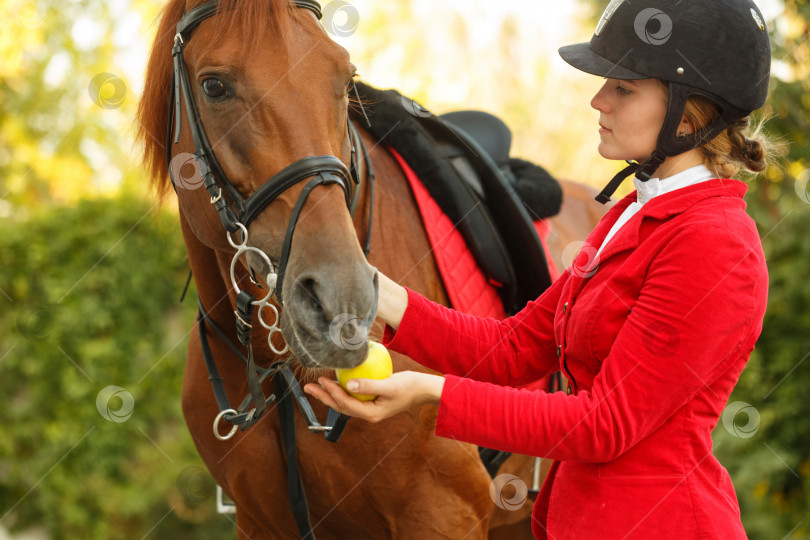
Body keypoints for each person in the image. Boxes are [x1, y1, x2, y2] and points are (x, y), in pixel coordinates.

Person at [304, 0, 775, 537]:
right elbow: (513, 348)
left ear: (691, 114)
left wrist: (430, 392)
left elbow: (605, 424)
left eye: (623, 88)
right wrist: (369, 289)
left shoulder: (715, 245)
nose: (598, 100)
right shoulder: (632, 213)